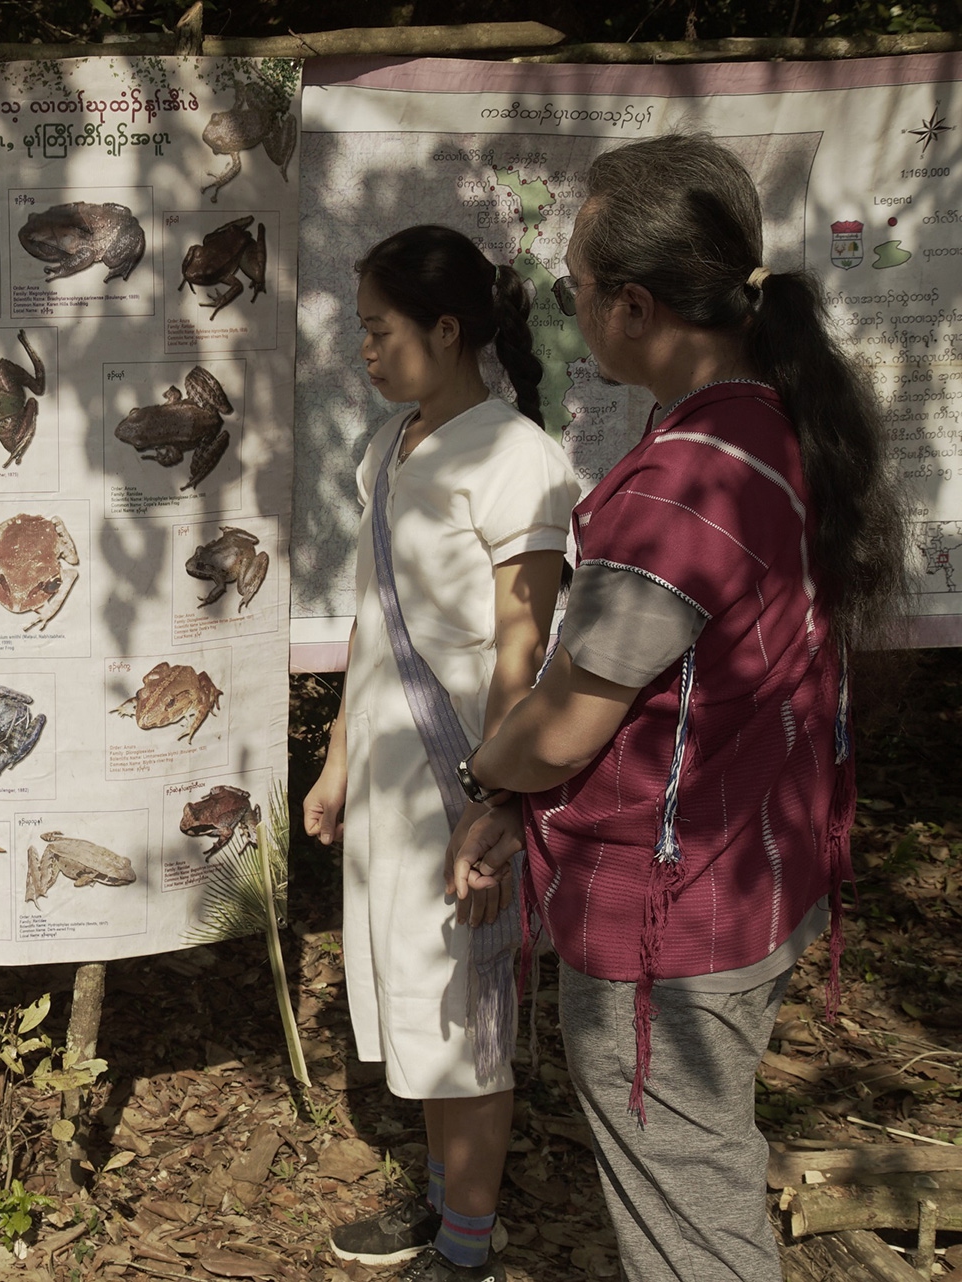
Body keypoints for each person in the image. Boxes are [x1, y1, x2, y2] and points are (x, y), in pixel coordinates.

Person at [448, 134, 906, 1282]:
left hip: (670, 924)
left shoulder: (684, 484)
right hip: (750, 871)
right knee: (699, 1177)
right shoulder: (774, 421)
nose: (574, 309)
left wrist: (487, 783)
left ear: (635, 303)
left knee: (689, 1223)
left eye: (575, 288)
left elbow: (565, 720)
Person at [304, 225, 579, 1282]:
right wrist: (334, 756)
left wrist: (499, 796)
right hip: (388, 778)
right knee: (418, 991)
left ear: (448, 329)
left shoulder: (515, 457)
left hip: (462, 774)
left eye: (378, 330)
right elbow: (379, 621)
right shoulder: (396, 445)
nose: (364, 351)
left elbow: (528, 642)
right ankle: (440, 1200)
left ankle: (468, 1248)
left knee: (465, 1010)